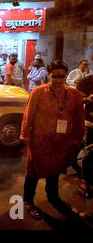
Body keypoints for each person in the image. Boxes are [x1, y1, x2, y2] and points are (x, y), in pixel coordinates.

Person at [20, 59, 85, 219]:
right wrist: (25, 136)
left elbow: (78, 118)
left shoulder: (74, 95)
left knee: (55, 169)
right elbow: (28, 116)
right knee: (33, 171)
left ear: (65, 77)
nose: (57, 79)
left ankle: (53, 197)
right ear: (48, 76)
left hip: (60, 142)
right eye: (54, 76)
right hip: (39, 140)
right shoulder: (38, 92)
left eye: (61, 76)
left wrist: (77, 137)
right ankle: (28, 200)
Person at [76, 74, 93, 197]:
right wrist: (87, 99)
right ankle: (85, 180)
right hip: (92, 122)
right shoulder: (88, 80)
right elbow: (76, 98)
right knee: (90, 151)